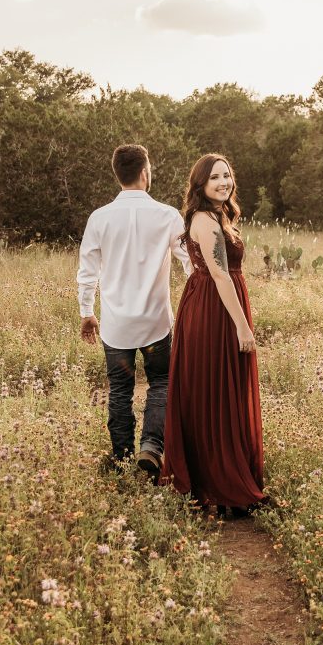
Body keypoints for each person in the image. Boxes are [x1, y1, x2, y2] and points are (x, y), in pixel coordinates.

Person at [77, 143, 192, 481]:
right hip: (157, 322)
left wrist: (87, 312)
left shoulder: (99, 218)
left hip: (116, 326)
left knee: (120, 389)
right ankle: (152, 448)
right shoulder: (168, 215)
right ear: (145, 173)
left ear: (119, 175)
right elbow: (191, 263)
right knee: (161, 382)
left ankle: (121, 456)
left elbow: (88, 272)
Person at [160, 153, 267, 517]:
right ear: (201, 185)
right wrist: (241, 325)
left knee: (225, 389)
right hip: (213, 309)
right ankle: (217, 482)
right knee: (213, 389)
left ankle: (229, 470)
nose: (224, 182)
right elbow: (220, 275)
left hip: (222, 301)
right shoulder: (204, 220)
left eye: (227, 176)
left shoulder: (221, 215)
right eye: (215, 178)